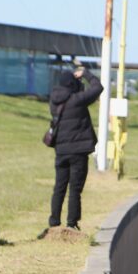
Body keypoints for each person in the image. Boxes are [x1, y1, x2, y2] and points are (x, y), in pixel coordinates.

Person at [48, 64, 103, 231]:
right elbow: (98, 87)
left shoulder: (54, 101)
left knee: (59, 186)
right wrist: (85, 73)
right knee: (75, 188)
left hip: (61, 150)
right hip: (78, 150)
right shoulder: (77, 100)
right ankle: (71, 223)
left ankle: (54, 221)